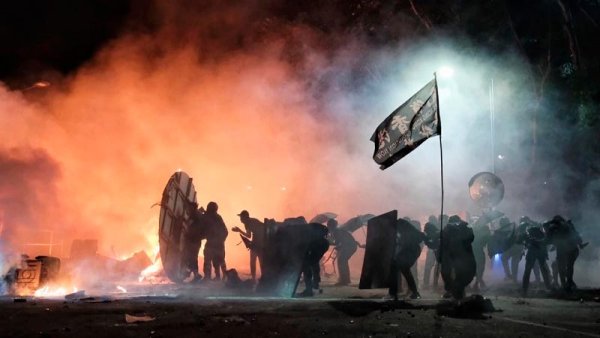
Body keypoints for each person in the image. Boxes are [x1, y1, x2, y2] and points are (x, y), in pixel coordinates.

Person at [388, 218, 431, 300]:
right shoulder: (404, 229)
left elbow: (420, 238)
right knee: (403, 270)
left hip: (410, 252)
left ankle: (394, 293)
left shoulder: (403, 227)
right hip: (409, 251)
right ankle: (413, 293)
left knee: (401, 269)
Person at [440, 215, 476, 299]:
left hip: (463, 256)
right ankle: (451, 291)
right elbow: (444, 242)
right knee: (447, 273)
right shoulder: (447, 230)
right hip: (452, 256)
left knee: (460, 274)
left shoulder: (465, 229)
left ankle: (458, 294)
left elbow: (470, 238)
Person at [545, 215, 584, 292]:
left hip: (566, 250)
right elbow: (577, 236)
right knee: (567, 267)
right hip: (571, 249)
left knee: (562, 267)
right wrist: (580, 244)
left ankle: (565, 285)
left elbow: (548, 239)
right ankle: (568, 284)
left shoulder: (553, 227)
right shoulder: (568, 225)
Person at [519, 219, 553, 296]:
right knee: (542, 270)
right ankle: (548, 288)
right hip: (537, 252)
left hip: (534, 252)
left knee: (528, 271)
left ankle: (524, 290)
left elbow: (523, 242)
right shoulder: (539, 234)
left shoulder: (530, 235)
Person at [297, 223, 330, 297]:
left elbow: (308, 242)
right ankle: (315, 283)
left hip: (319, 244)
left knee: (307, 266)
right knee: (314, 263)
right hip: (323, 243)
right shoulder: (312, 226)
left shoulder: (307, 228)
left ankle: (309, 291)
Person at [232, 210, 266, 281]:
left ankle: (254, 278)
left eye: (241, 217)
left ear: (245, 217)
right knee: (261, 261)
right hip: (261, 241)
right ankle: (263, 277)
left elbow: (248, 235)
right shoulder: (252, 220)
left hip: (258, 242)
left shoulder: (247, 223)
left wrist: (239, 230)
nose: (240, 219)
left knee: (253, 260)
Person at [327, 219, 359, 286]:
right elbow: (341, 242)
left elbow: (337, 242)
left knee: (341, 261)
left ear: (330, 226)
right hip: (351, 246)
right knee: (343, 261)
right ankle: (345, 279)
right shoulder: (337, 231)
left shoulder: (336, 231)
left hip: (349, 246)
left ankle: (344, 280)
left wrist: (329, 242)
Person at [181, 202, 206, 282]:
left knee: (191, 258)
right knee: (192, 258)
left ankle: (195, 275)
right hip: (196, 240)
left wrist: (183, 221)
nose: (187, 209)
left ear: (192, 208)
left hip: (193, 240)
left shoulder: (193, 215)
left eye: (188, 208)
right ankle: (193, 274)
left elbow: (188, 224)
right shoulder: (197, 213)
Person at [203, 201, 228, 280]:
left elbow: (225, 232)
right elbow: (225, 232)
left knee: (211, 259)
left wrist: (219, 241)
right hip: (217, 243)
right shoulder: (217, 217)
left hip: (214, 243)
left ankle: (210, 277)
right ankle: (220, 276)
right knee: (218, 260)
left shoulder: (210, 217)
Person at [497, 217, 522, 283]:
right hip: (519, 246)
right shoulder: (514, 225)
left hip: (512, 247)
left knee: (503, 258)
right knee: (514, 263)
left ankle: (508, 275)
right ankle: (514, 278)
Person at [471, 217, 491, 291]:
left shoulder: (473, 228)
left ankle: (478, 283)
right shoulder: (484, 229)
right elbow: (487, 240)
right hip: (477, 250)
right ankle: (478, 284)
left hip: (473, 250)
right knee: (480, 268)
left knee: (478, 268)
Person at [422, 217, 441, 290]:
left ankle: (431, 284)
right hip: (432, 251)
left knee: (434, 268)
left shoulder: (435, 230)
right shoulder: (434, 229)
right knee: (431, 268)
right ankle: (431, 284)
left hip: (435, 251)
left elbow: (432, 243)